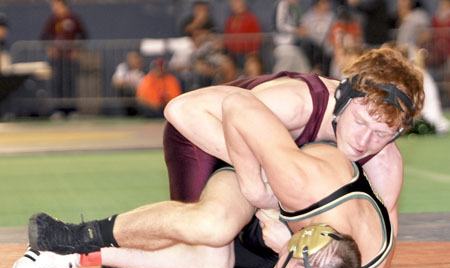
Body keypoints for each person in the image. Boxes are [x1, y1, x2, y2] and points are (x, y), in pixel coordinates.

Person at [14, 136, 395, 268]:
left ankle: (73, 258)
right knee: (214, 228)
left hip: (263, 242)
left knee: (210, 266)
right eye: (285, 265)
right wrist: (265, 201)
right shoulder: (311, 182)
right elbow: (248, 126)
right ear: (308, 239)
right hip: (248, 184)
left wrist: (281, 248)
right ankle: (73, 235)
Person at [162, 47, 424, 227]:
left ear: (396, 132)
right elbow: (181, 109)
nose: (364, 141)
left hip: (263, 163)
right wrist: (263, 175)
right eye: (359, 122)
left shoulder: (385, 163)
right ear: (343, 100)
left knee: (227, 267)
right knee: (207, 241)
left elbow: (381, 243)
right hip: (203, 135)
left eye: (381, 133)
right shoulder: (297, 103)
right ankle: (123, 240)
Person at [40, 0, 88, 117]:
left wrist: (77, 49)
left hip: (70, 58)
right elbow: (43, 37)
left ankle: (72, 110)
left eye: (56, 5)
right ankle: (58, 110)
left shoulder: (73, 18)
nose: (54, 8)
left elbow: (84, 35)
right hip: (57, 59)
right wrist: (50, 49)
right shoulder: (53, 20)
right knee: (57, 83)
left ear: (63, 5)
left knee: (70, 83)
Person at [111, 51, 145, 116]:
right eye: (132, 59)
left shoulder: (139, 73)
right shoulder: (123, 67)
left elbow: (141, 87)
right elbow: (117, 81)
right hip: (124, 93)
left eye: (136, 59)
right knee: (127, 90)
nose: (135, 61)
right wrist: (129, 83)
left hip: (136, 95)